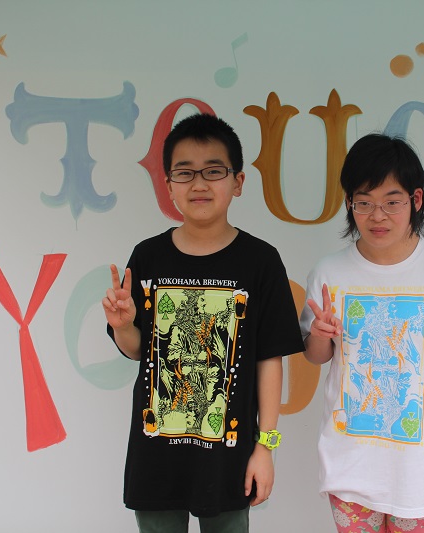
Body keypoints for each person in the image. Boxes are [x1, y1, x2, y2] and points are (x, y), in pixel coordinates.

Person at [103, 113, 305, 533]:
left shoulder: (261, 261)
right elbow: (139, 350)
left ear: (238, 181)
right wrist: (124, 326)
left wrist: (265, 447)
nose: (199, 184)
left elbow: (270, 360)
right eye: (185, 172)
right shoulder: (147, 256)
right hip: (156, 458)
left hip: (229, 459)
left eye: (213, 171)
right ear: (168, 185)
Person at [300, 133, 424, 533]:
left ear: (416, 200)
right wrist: (319, 333)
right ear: (349, 203)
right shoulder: (329, 272)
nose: (378, 216)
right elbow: (317, 356)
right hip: (349, 464)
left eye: (392, 202)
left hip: (420, 469)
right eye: (364, 202)